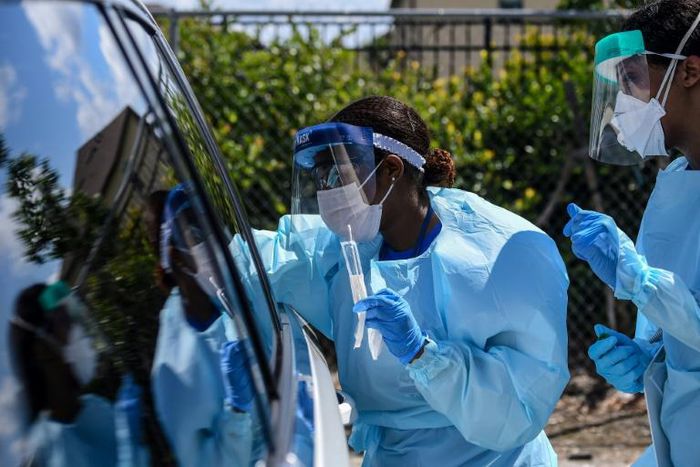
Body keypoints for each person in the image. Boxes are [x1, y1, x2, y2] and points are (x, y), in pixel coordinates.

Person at [232, 96, 570, 466]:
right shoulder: (341, 252)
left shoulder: (501, 256)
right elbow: (256, 260)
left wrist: (425, 356)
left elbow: (519, 405)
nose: (327, 193)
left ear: (392, 168)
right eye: (321, 177)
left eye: (339, 175)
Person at [564, 1, 700, 465]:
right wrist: (653, 359)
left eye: (632, 80)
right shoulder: (677, 184)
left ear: (690, 72)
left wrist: (638, 278)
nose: (624, 104)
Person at [147, 186, 255, 467]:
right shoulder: (172, 369)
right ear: (176, 255)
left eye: (210, 223)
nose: (213, 236)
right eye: (195, 231)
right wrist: (236, 414)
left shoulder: (236, 284)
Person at [8, 282, 119, 467]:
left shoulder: (94, 412)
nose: (76, 329)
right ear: (42, 350)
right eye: (65, 321)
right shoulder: (47, 454)